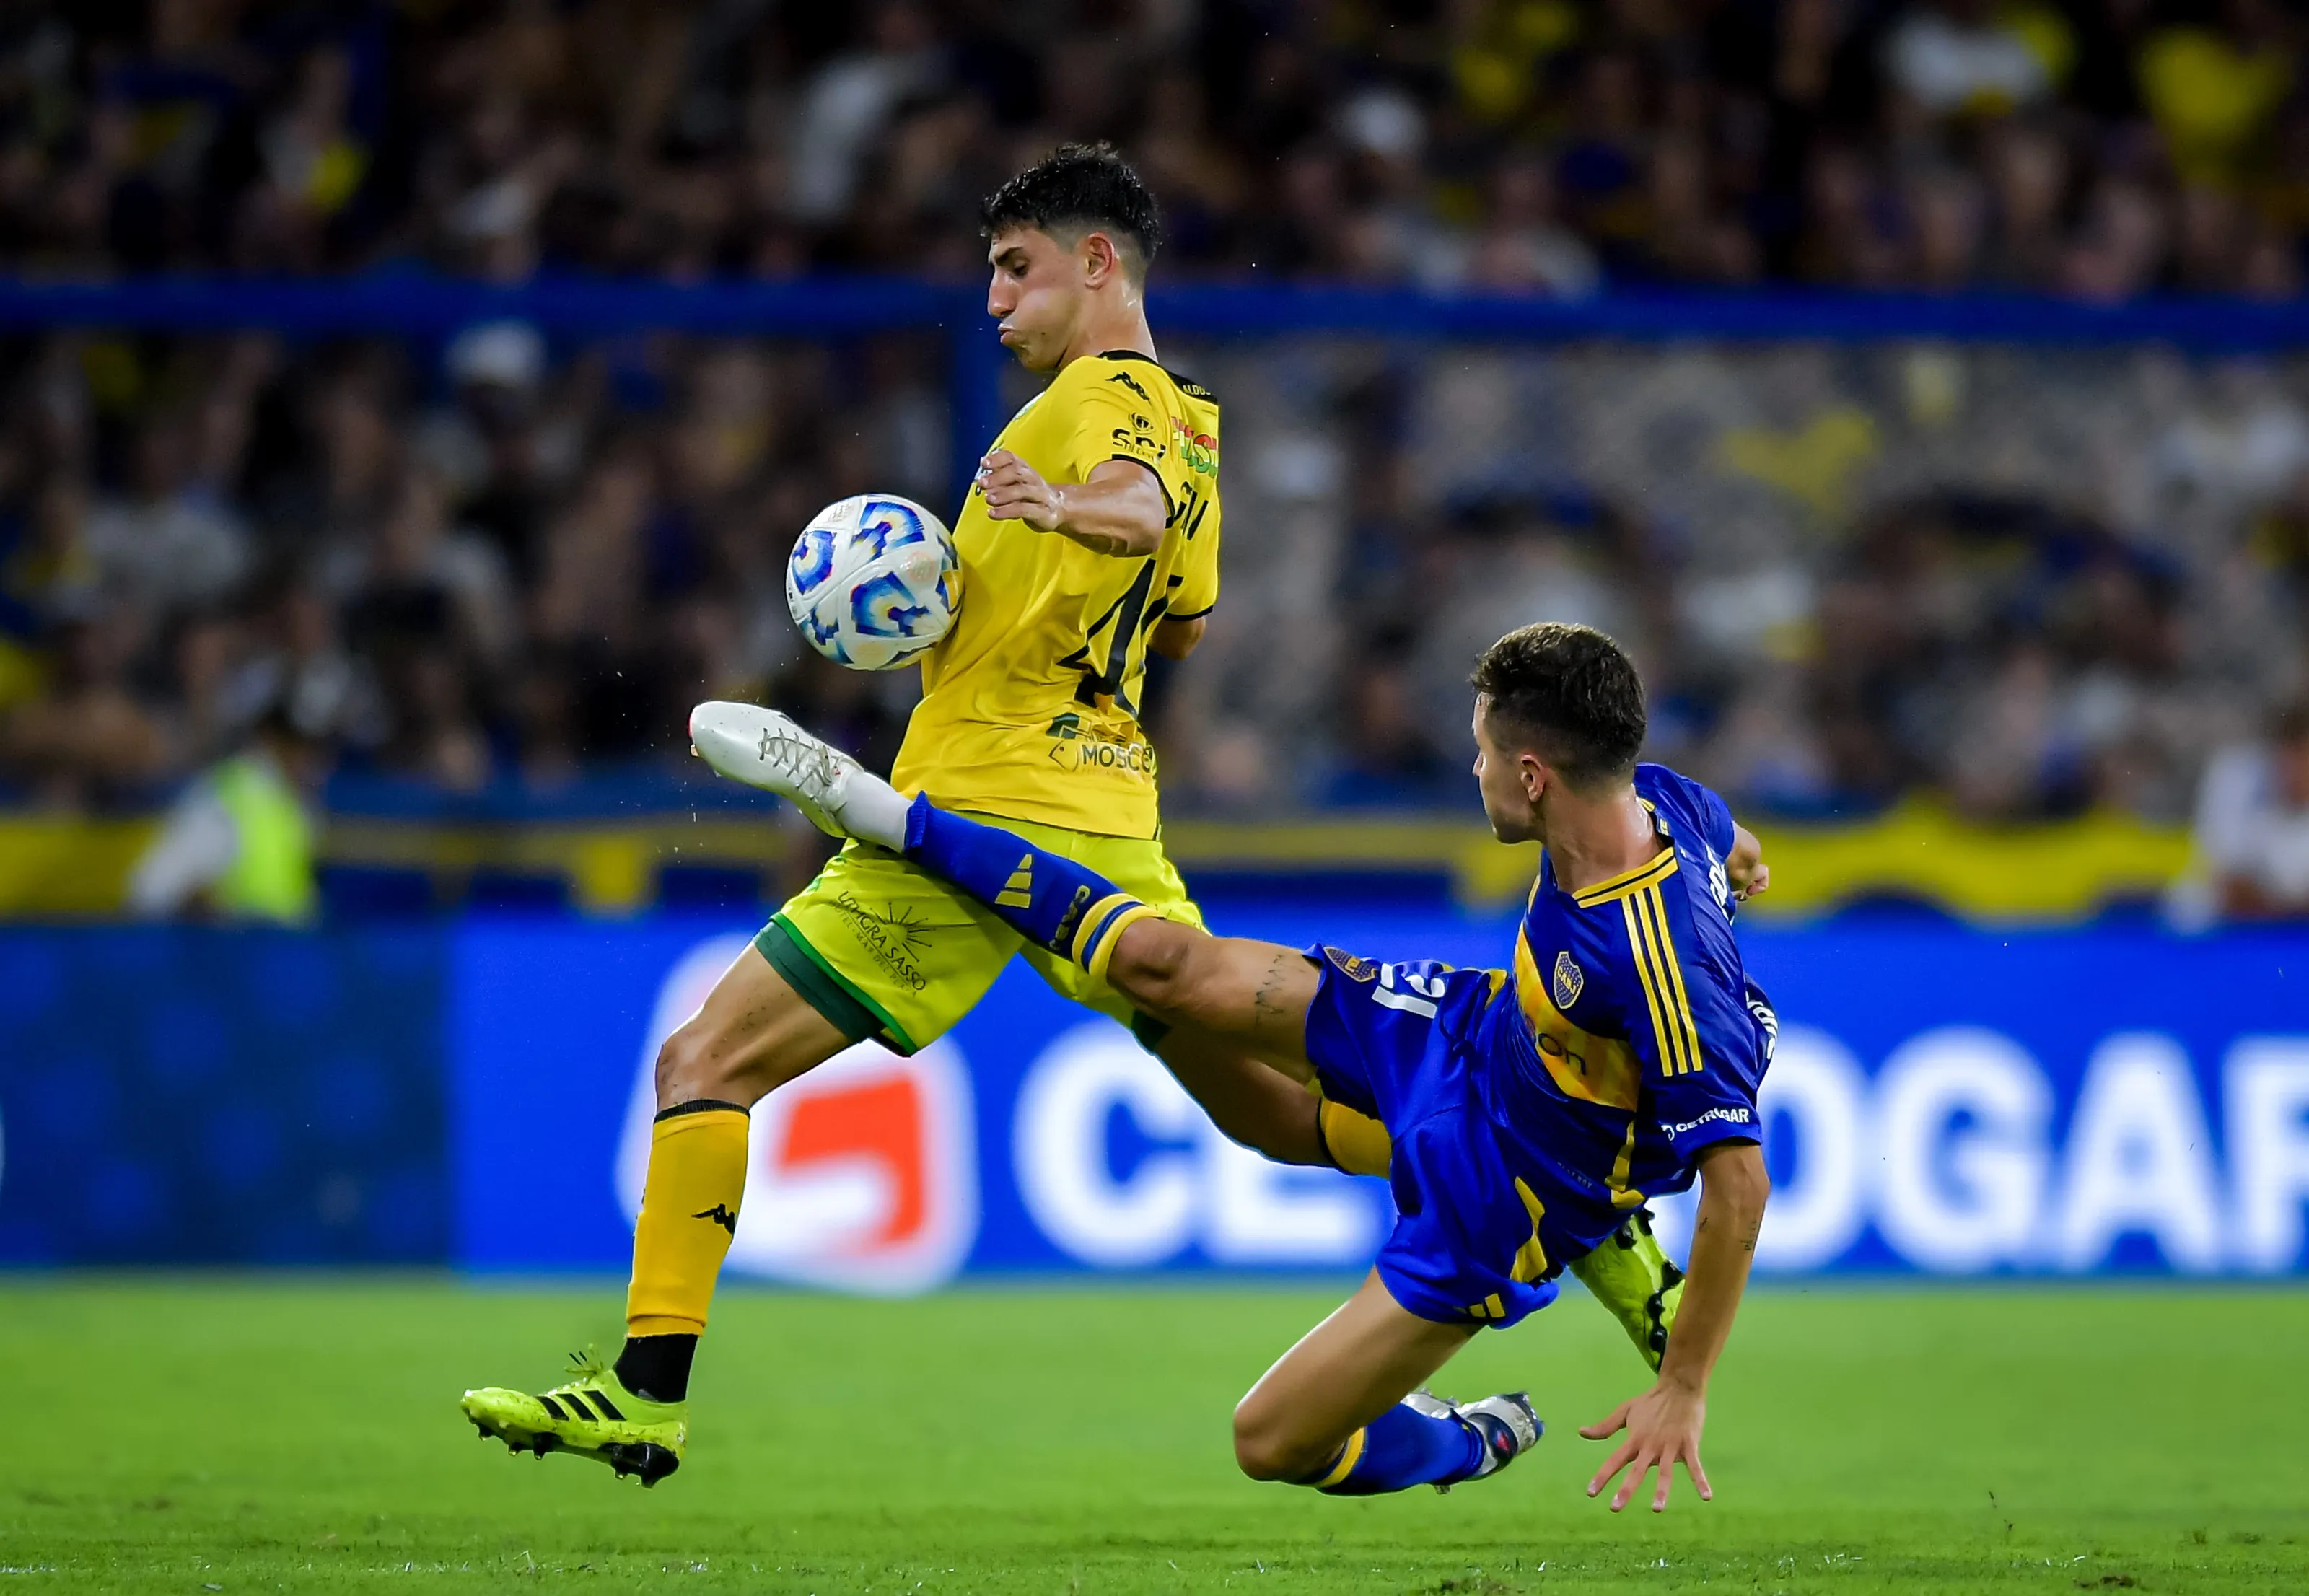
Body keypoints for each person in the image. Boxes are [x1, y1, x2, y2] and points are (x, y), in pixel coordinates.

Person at [460, 144, 1677, 1486]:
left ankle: (645, 1394)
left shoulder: (1107, 399)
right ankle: (1579, 1213)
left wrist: (1057, 507)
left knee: (705, 1062)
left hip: (976, 810)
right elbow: (1185, 618)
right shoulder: (1195, 419)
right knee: (1272, 1116)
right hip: (1101, 810)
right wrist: (988, 596)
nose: (994, 299)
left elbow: (1136, 514)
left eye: (1014, 267)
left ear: (1098, 262)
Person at [683, 622, 1773, 1509]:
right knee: (1169, 972)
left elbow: (1738, 1186)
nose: (1474, 766)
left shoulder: (1657, 961)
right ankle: (877, 809)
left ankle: (1468, 1438)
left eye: (1484, 751)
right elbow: (1729, 843)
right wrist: (1741, 863)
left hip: (1514, 1196)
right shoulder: (1662, 800)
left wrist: (1683, 1388)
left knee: (1272, 1442)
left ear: (1534, 778)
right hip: (1469, 1035)